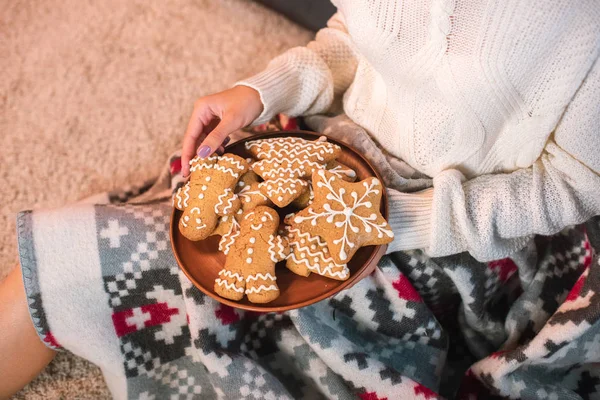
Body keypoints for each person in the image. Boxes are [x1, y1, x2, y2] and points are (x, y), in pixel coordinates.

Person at [2, 1, 600, 399]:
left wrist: (390, 219)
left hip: (460, 236)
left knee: (108, 264)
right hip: (333, 152)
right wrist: (262, 91)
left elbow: (572, 183)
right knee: (106, 246)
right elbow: (355, 38)